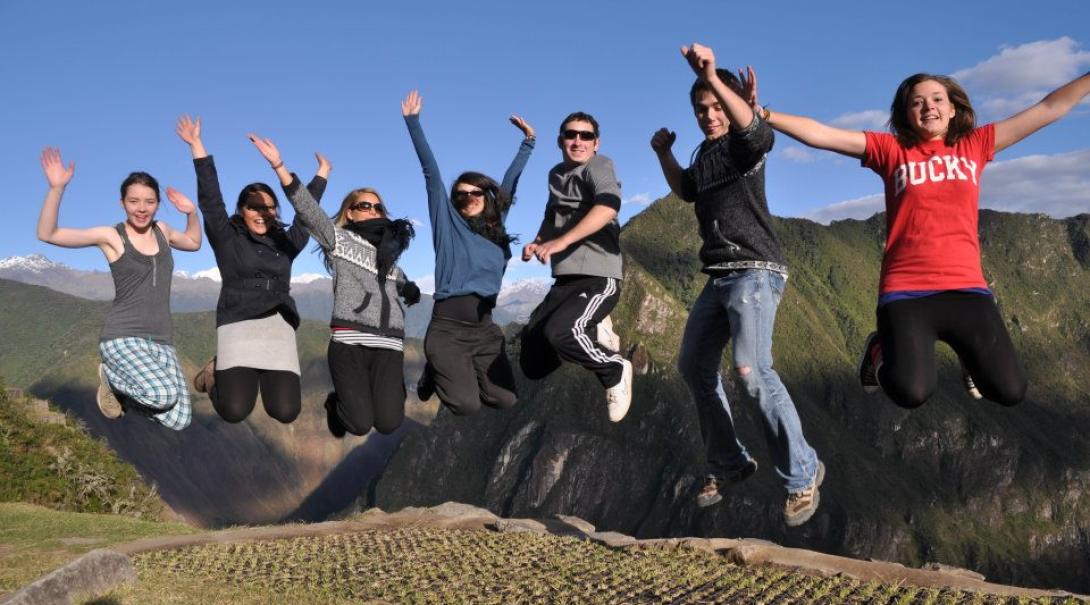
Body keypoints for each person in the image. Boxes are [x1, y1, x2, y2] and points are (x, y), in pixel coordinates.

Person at [757, 60, 1090, 409]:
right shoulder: (891, 151)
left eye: (937, 99)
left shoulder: (975, 145)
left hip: (967, 288)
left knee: (1010, 390)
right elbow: (821, 134)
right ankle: (878, 348)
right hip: (906, 291)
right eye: (917, 102)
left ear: (952, 110)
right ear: (906, 113)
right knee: (911, 392)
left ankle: (969, 357)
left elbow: (1050, 107)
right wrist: (765, 115)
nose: (928, 106)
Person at [651, 43, 824, 526]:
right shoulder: (706, 155)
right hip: (720, 276)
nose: (708, 116)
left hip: (755, 270)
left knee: (752, 371)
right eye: (700, 110)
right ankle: (729, 462)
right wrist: (665, 154)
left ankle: (803, 473)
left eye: (715, 106)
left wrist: (712, 75)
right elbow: (687, 189)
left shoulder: (744, 144)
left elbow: (755, 133)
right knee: (694, 366)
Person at [249, 134, 420, 437]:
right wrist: (280, 168)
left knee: (389, 423)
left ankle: (381, 397)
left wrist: (409, 287)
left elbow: (397, 279)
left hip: (390, 346)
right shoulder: (339, 240)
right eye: (364, 205)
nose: (373, 211)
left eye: (378, 208)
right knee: (358, 423)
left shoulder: (391, 258)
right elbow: (308, 212)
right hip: (350, 343)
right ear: (350, 212)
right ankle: (334, 405)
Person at [177, 115, 330, 424]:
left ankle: (242, 374)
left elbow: (307, 216)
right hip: (238, 322)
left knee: (285, 412)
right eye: (253, 206)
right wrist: (197, 146)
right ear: (241, 211)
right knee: (235, 411)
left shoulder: (287, 242)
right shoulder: (226, 238)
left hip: (278, 325)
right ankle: (215, 374)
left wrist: (321, 175)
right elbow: (211, 201)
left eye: (269, 206)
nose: (262, 212)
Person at [35, 147, 202, 430]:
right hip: (122, 336)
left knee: (180, 419)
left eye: (149, 201)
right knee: (162, 394)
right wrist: (56, 189)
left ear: (158, 204)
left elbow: (194, 243)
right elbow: (47, 233)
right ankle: (110, 378)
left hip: (161, 339)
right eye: (134, 200)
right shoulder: (112, 236)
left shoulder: (163, 230)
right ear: (122, 203)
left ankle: (121, 393)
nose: (141, 208)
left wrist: (191, 213)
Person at [401, 90, 534, 416]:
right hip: (447, 329)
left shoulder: (497, 227)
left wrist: (528, 143)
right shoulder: (447, 225)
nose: (469, 197)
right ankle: (436, 368)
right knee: (466, 405)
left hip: (485, 330)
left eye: (476, 192)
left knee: (506, 400)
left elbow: (510, 184)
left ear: (487, 196)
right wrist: (413, 123)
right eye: (461, 195)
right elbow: (432, 175)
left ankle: (444, 370)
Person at [520, 111, 632, 422]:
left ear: (596, 143)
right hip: (565, 280)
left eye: (585, 136)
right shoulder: (555, 175)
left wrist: (561, 242)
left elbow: (608, 207)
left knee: (563, 332)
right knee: (532, 359)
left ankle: (615, 368)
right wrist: (539, 240)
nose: (577, 141)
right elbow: (551, 215)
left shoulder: (599, 166)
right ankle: (592, 330)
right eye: (571, 134)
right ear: (561, 141)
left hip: (599, 276)